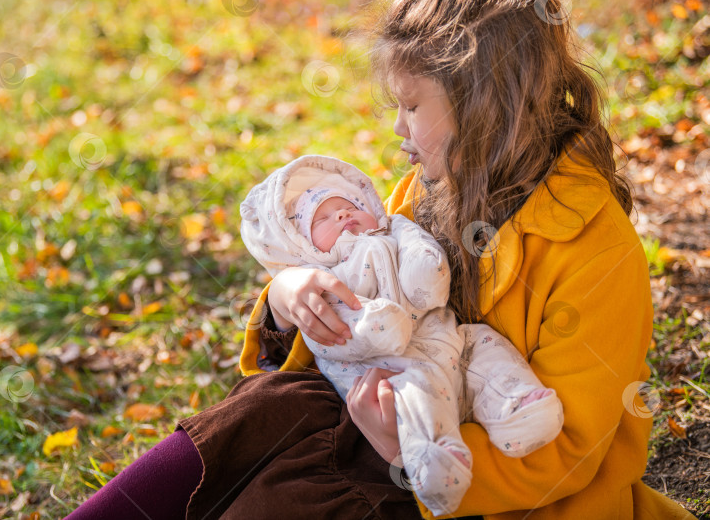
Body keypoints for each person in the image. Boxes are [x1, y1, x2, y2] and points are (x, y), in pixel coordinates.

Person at [66, 0, 697, 518]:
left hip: (483, 489)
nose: (397, 129)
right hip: (388, 412)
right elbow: (367, 303)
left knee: (288, 495)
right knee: (265, 411)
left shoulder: (594, 249)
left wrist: (406, 454)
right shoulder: (426, 193)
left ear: (485, 109)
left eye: (412, 106)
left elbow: (573, 451)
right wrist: (288, 301)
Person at [238, 154, 563, 514]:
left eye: (347, 206)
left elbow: (422, 256)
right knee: (417, 392)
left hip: (447, 338)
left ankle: (517, 408)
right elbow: (331, 335)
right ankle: (435, 457)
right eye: (323, 219)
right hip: (390, 367)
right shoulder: (327, 278)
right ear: (304, 246)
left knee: (486, 346)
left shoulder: (394, 228)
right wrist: (371, 323)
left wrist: (426, 273)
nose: (342, 216)